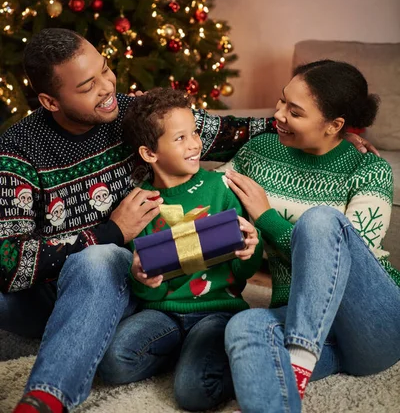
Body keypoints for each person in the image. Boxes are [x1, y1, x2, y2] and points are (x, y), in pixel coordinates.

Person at [1, 28, 275, 413]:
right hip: (60, 288)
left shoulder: (131, 113)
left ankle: (47, 397)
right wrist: (111, 231)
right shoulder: (18, 150)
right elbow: (7, 262)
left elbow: (228, 133)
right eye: (87, 85)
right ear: (50, 100)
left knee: (99, 260)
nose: (107, 86)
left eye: (106, 69)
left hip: (133, 278)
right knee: (76, 266)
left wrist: (312, 127)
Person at [223, 60, 400, 413]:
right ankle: (292, 378)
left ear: (334, 125)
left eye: (295, 111)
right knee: (244, 325)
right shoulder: (259, 153)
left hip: (371, 326)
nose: (278, 114)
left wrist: (266, 217)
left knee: (320, 221)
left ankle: (299, 356)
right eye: (281, 101)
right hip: (297, 315)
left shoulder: (369, 169)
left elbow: (341, 263)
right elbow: (212, 198)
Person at [97, 87, 263, 411]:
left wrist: (250, 249)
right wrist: (140, 277)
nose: (195, 144)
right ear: (149, 154)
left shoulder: (220, 189)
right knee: (112, 362)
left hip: (217, 311)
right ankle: (185, 353)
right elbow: (145, 288)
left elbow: (242, 273)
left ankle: (220, 355)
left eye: (195, 133)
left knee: (193, 393)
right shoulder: (140, 205)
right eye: (180, 138)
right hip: (164, 314)